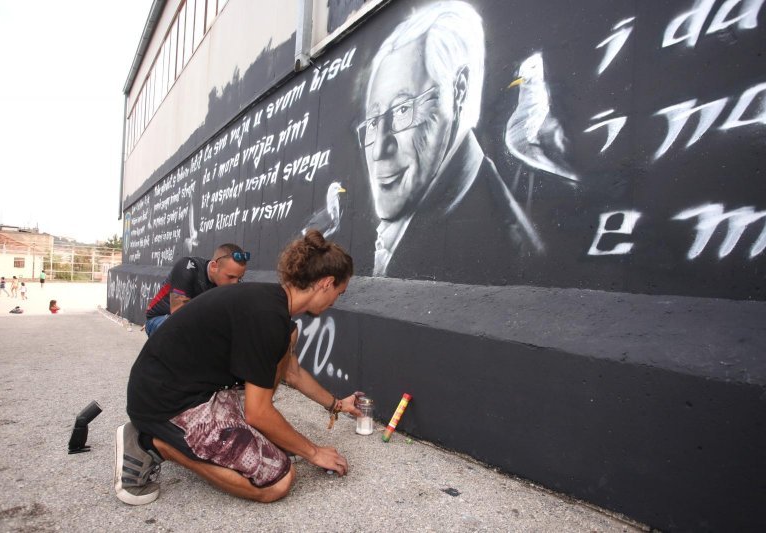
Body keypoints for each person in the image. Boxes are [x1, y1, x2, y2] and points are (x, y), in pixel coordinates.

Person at [115, 230, 358, 505]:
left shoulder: (276, 312)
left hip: (186, 387)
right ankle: (151, 444)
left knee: (280, 441)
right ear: (326, 283)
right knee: (278, 481)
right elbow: (259, 413)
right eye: (340, 291)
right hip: (166, 402)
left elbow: (292, 372)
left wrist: (336, 405)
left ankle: (175, 436)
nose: (336, 300)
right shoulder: (267, 319)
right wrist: (313, 452)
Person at [356, 1, 543, 283]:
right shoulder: (456, 211)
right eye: (373, 123)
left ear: (459, 91)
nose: (380, 149)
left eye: (404, 109)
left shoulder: (489, 242)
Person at [144, 243, 249, 337]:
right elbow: (178, 316)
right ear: (213, 267)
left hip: (193, 323)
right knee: (187, 331)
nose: (235, 283)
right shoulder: (187, 267)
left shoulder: (231, 284)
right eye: (230, 277)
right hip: (160, 319)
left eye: (239, 278)